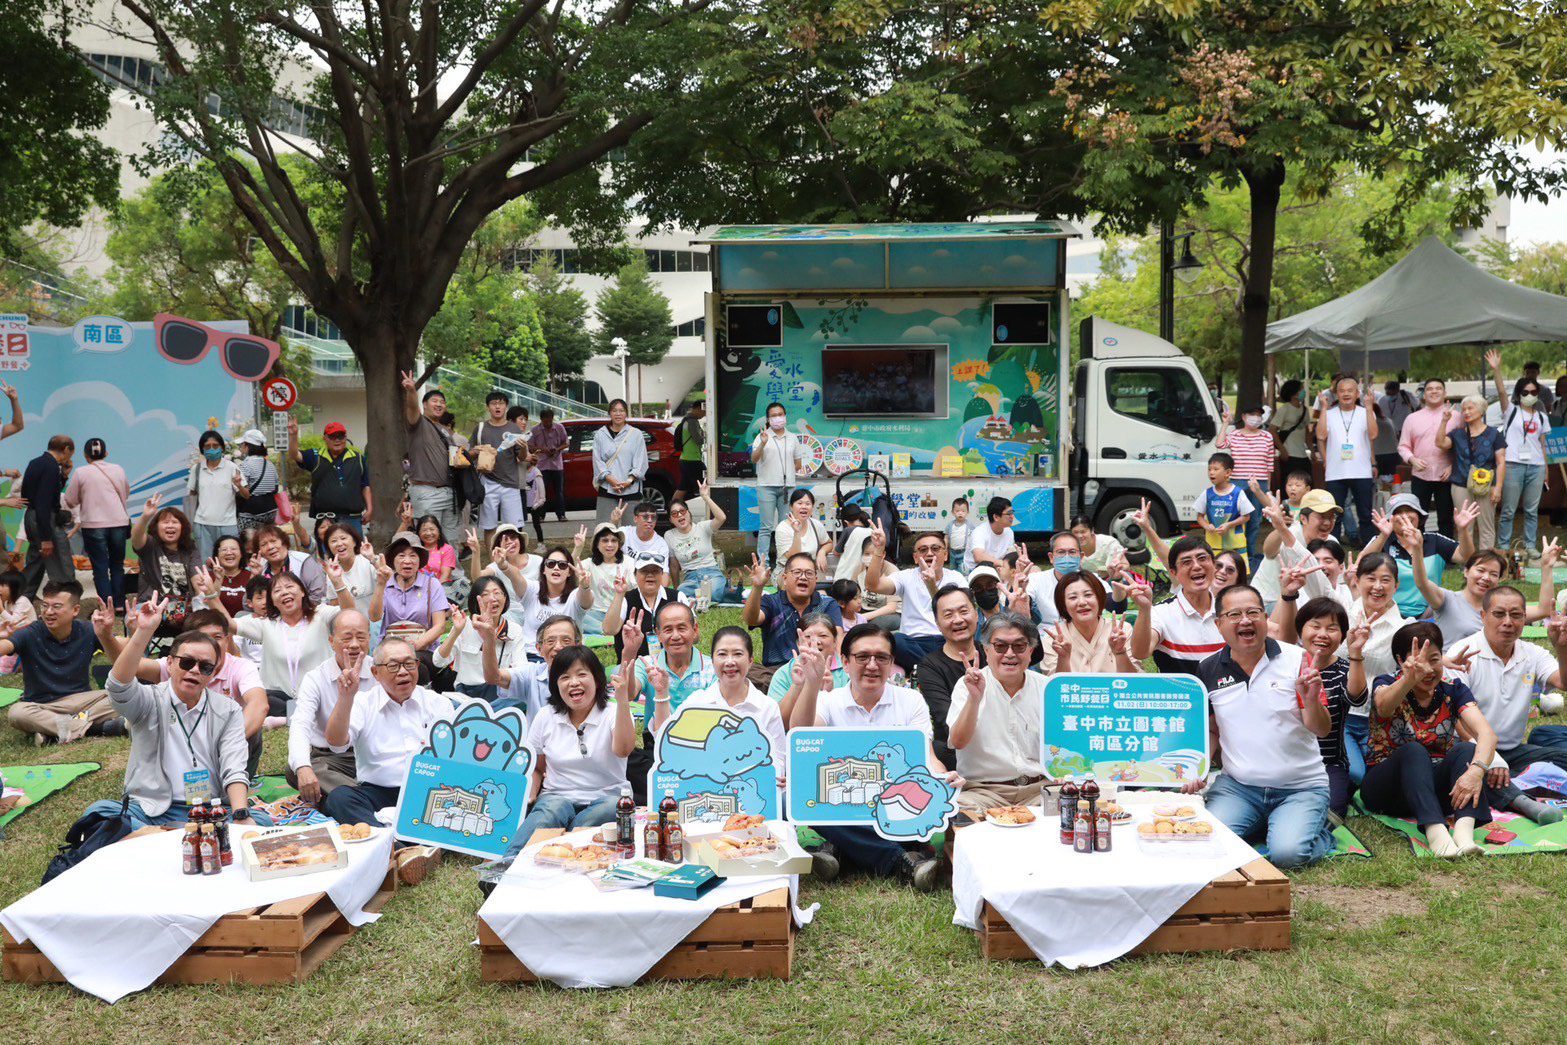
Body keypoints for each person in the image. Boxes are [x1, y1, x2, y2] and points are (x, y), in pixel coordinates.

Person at [787, 624, 959, 888]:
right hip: (843, 805)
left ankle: (840, 850)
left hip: (895, 806)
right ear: (844, 662)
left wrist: (942, 778)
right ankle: (901, 860)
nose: (872, 665)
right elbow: (801, 734)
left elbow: (925, 754)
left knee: (927, 801)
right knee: (792, 798)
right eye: (862, 657)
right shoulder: (827, 700)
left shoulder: (911, 700)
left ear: (892, 663)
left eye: (881, 658)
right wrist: (811, 683)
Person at [81, 594, 264, 831]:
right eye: (187, 663)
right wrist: (143, 631)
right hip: (153, 810)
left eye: (205, 667)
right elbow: (118, 685)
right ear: (170, 663)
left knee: (262, 822)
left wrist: (240, 814)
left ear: (212, 673)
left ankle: (162, 837)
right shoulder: (149, 699)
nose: (195, 670)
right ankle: (162, 833)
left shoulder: (227, 709)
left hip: (209, 808)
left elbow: (234, 766)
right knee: (99, 813)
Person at [1191, 584, 1334, 868]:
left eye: (1253, 612)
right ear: (1219, 624)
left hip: (1300, 787)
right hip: (1239, 787)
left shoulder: (1296, 659)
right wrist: (1198, 769)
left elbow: (1322, 729)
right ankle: (1270, 825)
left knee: (1287, 855)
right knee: (1206, 842)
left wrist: (1311, 701)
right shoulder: (1208, 669)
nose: (1245, 620)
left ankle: (1318, 832)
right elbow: (1211, 730)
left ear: (1265, 618)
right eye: (1234, 615)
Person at [1364, 621, 1497, 857]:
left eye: (1434, 659)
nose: (1428, 669)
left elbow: (1486, 734)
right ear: (1399, 660)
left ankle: (1463, 835)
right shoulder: (1385, 682)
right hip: (1387, 790)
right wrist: (1409, 678)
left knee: (1466, 749)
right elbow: (1384, 707)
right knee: (1414, 751)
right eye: (1419, 661)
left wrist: (1477, 771)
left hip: (1433, 791)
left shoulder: (1452, 689)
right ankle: (1436, 833)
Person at [502, 631, 638, 860]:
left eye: (581, 674)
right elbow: (538, 766)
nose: (573, 682)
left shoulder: (614, 712)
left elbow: (624, 750)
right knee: (551, 809)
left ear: (596, 680)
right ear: (556, 685)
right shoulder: (546, 716)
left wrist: (623, 699)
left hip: (606, 797)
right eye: (564, 677)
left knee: (609, 808)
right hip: (558, 796)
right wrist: (531, 795)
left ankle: (563, 847)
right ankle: (507, 864)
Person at [100, 608, 269, 780]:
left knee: (253, 731)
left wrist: (222, 742)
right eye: (204, 638)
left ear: (228, 639)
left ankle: (236, 781)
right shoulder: (179, 665)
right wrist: (106, 637)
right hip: (176, 747)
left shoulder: (240, 667)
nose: (212, 644)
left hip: (224, 747)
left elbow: (259, 705)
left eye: (217, 637)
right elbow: (128, 668)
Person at [1445, 587, 1567, 825]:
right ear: (1483, 616)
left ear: (1525, 618)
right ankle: (1523, 802)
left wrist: (1561, 645)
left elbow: (1563, 682)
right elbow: (1455, 717)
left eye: (1516, 615)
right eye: (1499, 614)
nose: (1508, 622)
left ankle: (1512, 779)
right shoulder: (1463, 652)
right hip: (1469, 749)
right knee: (1476, 772)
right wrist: (1491, 759)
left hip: (1513, 749)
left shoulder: (1532, 653)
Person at [321, 638, 456, 844]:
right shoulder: (362, 703)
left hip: (429, 793)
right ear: (376, 673)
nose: (403, 672)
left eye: (409, 664)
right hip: (379, 793)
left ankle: (393, 841)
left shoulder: (439, 704)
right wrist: (345, 697)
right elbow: (337, 744)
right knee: (340, 799)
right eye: (393, 666)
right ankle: (398, 846)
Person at [199, 566, 350, 718]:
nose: (284, 592)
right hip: (277, 699)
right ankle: (291, 716)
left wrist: (338, 583)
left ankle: (292, 717)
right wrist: (211, 594)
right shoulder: (266, 624)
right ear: (273, 601)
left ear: (303, 592)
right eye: (277, 591)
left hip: (320, 694)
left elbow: (349, 612)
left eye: (290, 587)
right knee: (264, 700)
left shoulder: (321, 615)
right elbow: (230, 624)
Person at [945, 610, 1044, 815]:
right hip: (983, 791)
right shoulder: (967, 685)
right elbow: (957, 741)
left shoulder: (1046, 688)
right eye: (1000, 646)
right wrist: (975, 698)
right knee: (960, 812)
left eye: (1019, 646)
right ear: (986, 650)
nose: (1009, 654)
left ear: (1031, 650)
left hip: (1039, 789)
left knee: (1076, 804)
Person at [663, 626, 786, 790]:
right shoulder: (697, 703)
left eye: (738, 654)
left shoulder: (767, 706)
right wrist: (660, 693)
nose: (730, 661)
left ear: (750, 661)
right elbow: (664, 736)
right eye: (722, 654)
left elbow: (778, 759)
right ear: (712, 661)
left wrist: (774, 779)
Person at [1278, 595, 1367, 819]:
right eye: (1315, 626)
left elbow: (1357, 699)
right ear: (1300, 630)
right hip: (1285, 761)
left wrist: (1356, 654)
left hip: (1328, 764)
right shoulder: (1285, 665)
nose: (1322, 634)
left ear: (1342, 636)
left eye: (1332, 628)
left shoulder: (1345, 669)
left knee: (1331, 815)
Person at [1, 582, 122, 744]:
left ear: (75, 610)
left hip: (82, 701)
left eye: (56, 606)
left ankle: (53, 732)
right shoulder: (30, 632)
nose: (48, 612)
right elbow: (5, 647)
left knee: (122, 697)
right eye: (45, 606)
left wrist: (109, 634)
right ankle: (94, 728)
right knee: (17, 713)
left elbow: (121, 657)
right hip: (42, 706)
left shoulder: (88, 630)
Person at [631, 601, 718, 801]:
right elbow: (628, 693)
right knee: (627, 761)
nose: (675, 636)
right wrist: (629, 652)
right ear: (657, 634)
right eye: (668, 630)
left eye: (682, 628)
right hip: (658, 745)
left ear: (695, 630)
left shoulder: (712, 667)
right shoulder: (646, 664)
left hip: (703, 746)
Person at [288, 609, 373, 805]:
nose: (354, 644)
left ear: (369, 638)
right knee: (298, 770)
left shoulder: (381, 671)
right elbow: (300, 724)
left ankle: (349, 797)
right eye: (346, 638)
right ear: (331, 640)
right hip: (332, 759)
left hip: (372, 752)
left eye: (361, 637)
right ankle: (365, 795)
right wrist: (303, 768)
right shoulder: (315, 678)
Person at [862, 526, 966, 671]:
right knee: (895, 640)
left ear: (946, 555)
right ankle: (938, 670)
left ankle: (928, 669)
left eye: (935, 548)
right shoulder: (905, 576)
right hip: (913, 642)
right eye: (923, 550)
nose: (929, 553)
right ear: (916, 558)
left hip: (947, 639)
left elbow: (952, 610)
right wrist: (879, 549)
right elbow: (872, 585)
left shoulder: (957, 578)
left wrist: (932, 586)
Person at [1362, 492, 1476, 620]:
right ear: (1390, 519)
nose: (1404, 516)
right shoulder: (1381, 541)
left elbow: (1466, 557)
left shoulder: (1434, 540)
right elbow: (1360, 566)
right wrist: (1383, 535)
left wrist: (1463, 529)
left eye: (1409, 510)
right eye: (1398, 512)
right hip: (1388, 612)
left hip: (1430, 613)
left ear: (1419, 516)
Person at [742, 551, 842, 688]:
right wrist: (757, 587)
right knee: (745, 672)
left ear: (816, 578)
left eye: (809, 573)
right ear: (784, 578)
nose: (803, 577)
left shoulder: (827, 604)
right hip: (776, 672)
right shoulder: (772, 601)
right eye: (797, 572)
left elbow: (838, 640)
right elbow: (751, 619)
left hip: (819, 668)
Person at [913, 586, 984, 770]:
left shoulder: (993, 651)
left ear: (976, 614)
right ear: (937, 623)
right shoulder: (929, 666)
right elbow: (945, 720)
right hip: (958, 747)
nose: (958, 620)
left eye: (963, 611)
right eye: (948, 615)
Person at [1131, 536, 1223, 673]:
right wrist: (1145, 610)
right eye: (1186, 562)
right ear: (1174, 573)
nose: (1197, 566)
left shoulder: (1231, 610)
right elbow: (1140, 653)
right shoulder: (1160, 613)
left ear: (1214, 565)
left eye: (1202, 558)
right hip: (1181, 693)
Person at [1490, 348, 1552, 552]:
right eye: (1525, 392)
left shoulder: (1542, 416)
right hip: (1513, 464)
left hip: (1536, 466)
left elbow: (1543, 444)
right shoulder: (1511, 411)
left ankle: (1530, 545)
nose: (1530, 395)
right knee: (1508, 510)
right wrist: (1496, 369)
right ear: (1519, 393)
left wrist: (1546, 470)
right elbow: (1500, 392)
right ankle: (1504, 546)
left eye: (1534, 392)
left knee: (1532, 510)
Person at [63, 437, 132, 614]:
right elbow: (126, 492)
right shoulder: (118, 469)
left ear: (86, 456)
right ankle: (119, 604)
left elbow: (70, 500)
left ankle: (106, 607)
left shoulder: (81, 472)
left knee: (100, 567)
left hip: (93, 525)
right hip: (118, 522)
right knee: (117, 565)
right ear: (106, 453)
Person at [369, 531, 450, 669]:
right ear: (393, 560)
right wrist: (381, 584)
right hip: (389, 649)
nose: (407, 561)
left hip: (423, 651)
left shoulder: (432, 584)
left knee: (411, 663)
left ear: (419, 561)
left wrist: (411, 648)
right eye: (401, 556)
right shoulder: (385, 583)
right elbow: (374, 617)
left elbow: (440, 626)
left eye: (413, 556)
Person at [1439, 392, 1506, 552]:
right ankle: (1467, 561)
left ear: (1482, 410)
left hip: (1486, 485)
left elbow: (1501, 462)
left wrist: (1498, 488)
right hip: (1461, 484)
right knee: (1464, 525)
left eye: (1470, 408)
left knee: (1487, 526)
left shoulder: (1494, 434)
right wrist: (1444, 421)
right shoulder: (1458, 433)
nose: (1466, 412)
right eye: (1464, 409)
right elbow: (1440, 443)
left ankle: (1486, 561)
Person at [1316, 375, 1379, 544]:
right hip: (1336, 472)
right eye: (1341, 391)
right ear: (1336, 394)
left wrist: (1369, 407)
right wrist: (1323, 408)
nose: (1346, 394)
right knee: (1333, 513)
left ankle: (1369, 548)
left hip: (1361, 470)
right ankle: (1332, 547)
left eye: (1350, 390)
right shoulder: (1329, 414)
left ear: (1357, 393)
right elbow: (1321, 435)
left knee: (1365, 513)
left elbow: (1373, 435)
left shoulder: (1365, 412)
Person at [480, 612, 581, 717]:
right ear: (539, 649)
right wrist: (488, 639)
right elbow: (494, 677)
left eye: (566, 640)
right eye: (551, 641)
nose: (558, 647)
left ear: (578, 645)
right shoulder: (532, 674)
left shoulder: (591, 677)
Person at [131, 496, 204, 639]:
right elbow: (136, 537)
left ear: (182, 528)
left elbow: (198, 582)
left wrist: (203, 597)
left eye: (175, 522)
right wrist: (146, 516)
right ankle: (139, 660)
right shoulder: (149, 546)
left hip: (182, 608)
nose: (170, 526)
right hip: (150, 606)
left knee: (206, 620)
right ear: (156, 527)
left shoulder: (190, 549)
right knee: (135, 620)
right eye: (165, 522)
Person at [434, 577, 518, 702]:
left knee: (519, 700)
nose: (492, 598)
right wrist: (456, 631)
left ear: (505, 598)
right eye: (485, 594)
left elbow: (521, 670)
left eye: (497, 593)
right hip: (466, 696)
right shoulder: (464, 624)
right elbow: (438, 661)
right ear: (475, 600)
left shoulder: (514, 630)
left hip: (499, 695)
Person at [401, 370, 461, 543]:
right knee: (428, 540)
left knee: (450, 541)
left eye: (442, 402)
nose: (439, 404)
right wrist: (411, 390)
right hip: (426, 492)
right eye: (434, 401)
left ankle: (453, 571)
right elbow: (412, 408)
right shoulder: (418, 423)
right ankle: (428, 571)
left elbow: (454, 459)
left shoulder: (446, 430)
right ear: (425, 405)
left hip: (449, 492)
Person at [1039, 573, 1138, 675]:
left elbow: (1136, 684)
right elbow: (1056, 687)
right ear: (1063, 604)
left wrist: (1120, 652)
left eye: (1088, 595)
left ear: (1099, 598)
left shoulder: (1122, 631)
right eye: (1073, 597)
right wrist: (1063, 658)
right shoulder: (1053, 639)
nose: (1082, 602)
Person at [289, 417, 372, 536]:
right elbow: (294, 455)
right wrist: (293, 435)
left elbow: (365, 485)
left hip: (352, 519)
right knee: (327, 553)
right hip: (326, 520)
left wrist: (370, 509)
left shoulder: (358, 458)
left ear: (345, 437)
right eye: (332, 437)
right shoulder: (315, 456)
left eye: (341, 436)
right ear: (325, 438)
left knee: (356, 551)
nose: (337, 440)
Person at [1217, 405, 1278, 566]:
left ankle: (1249, 557)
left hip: (1260, 484)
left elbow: (1269, 466)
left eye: (1259, 415)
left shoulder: (1267, 437)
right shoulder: (1235, 434)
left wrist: (1268, 489)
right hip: (1237, 482)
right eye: (1252, 414)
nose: (1256, 418)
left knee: (1255, 520)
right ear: (1243, 417)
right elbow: (1219, 444)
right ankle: (1233, 556)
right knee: (1235, 519)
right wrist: (1225, 423)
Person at [1397, 379, 1456, 534]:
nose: (1434, 391)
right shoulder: (1412, 418)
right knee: (1418, 516)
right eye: (1429, 389)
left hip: (1446, 476)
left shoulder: (1456, 417)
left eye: (1438, 388)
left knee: (1446, 518)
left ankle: (1446, 554)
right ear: (1424, 394)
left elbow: (1464, 447)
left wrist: (1453, 465)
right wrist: (1412, 459)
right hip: (1420, 475)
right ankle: (1419, 551)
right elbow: (1403, 446)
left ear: (1445, 393)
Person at [20, 435, 77, 593]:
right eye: (70, 453)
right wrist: (46, 538)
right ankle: (65, 601)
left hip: (31, 516)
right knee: (62, 566)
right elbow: (44, 502)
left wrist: (63, 475)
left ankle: (20, 604)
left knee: (35, 565)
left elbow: (39, 494)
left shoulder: (35, 463)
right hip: (44, 519)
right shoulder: (51, 466)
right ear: (66, 449)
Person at [750, 402, 804, 568]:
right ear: (768, 419)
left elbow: (798, 464)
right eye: (773, 415)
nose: (777, 418)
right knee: (766, 527)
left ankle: (784, 562)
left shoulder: (793, 438)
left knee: (785, 526)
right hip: (766, 486)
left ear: (785, 416)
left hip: (787, 488)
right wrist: (763, 443)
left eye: (780, 414)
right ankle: (763, 564)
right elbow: (754, 459)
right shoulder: (762, 436)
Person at [470, 391, 528, 541]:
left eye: (501, 403)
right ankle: (493, 562)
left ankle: (510, 561)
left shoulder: (514, 429)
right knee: (489, 527)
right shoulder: (481, 428)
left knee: (513, 528)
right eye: (494, 403)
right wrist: (476, 451)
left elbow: (521, 457)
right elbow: (469, 454)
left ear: (506, 407)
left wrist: (523, 447)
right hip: (487, 482)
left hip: (510, 484)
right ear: (488, 407)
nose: (497, 406)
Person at [514, 544, 592, 654]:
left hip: (566, 657)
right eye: (551, 564)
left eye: (562, 565)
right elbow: (515, 577)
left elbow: (586, 601)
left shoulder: (575, 595)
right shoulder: (533, 589)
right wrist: (504, 566)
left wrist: (584, 586)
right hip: (530, 655)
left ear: (569, 572)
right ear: (544, 570)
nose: (556, 568)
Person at [603, 560, 687, 663]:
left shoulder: (677, 597)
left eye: (655, 571)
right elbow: (608, 630)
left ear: (662, 574)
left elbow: (695, 637)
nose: (650, 575)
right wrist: (619, 594)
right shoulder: (625, 599)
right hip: (633, 666)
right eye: (644, 571)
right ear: (635, 574)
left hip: (672, 664)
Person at [770, 611, 850, 717]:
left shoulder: (848, 671)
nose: (815, 641)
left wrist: (828, 694)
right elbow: (778, 722)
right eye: (807, 636)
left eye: (823, 635)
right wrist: (797, 685)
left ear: (835, 642)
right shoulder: (784, 673)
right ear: (798, 643)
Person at [186, 430, 246, 560]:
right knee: (205, 563)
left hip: (227, 524)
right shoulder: (196, 469)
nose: (211, 449)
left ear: (222, 448)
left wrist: (239, 485)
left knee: (230, 562)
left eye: (215, 445)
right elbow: (191, 495)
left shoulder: (232, 467)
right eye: (207, 446)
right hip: (202, 525)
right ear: (202, 449)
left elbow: (247, 495)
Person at [668, 482, 729, 603]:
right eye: (674, 514)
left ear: (689, 513)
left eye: (683, 511)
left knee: (715, 592)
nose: (680, 515)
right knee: (680, 594)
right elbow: (674, 565)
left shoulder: (702, 527)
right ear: (671, 520)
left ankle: (698, 597)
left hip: (711, 572)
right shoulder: (669, 535)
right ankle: (701, 597)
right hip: (690, 578)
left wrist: (705, 496)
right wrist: (676, 589)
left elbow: (721, 518)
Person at [592, 399, 648, 523]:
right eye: (614, 411)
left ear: (626, 413)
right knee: (606, 528)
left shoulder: (636, 434)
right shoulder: (600, 434)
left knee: (632, 530)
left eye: (621, 410)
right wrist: (609, 479)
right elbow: (597, 460)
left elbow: (641, 461)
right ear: (609, 413)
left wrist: (629, 480)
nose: (618, 414)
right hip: (607, 488)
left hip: (631, 488)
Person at [251, 522, 331, 604]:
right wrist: (254, 577)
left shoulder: (303, 560)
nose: (270, 547)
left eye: (273, 541)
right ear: (259, 551)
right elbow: (248, 604)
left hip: (306, 611)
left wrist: (288, 611)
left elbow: (318, 596)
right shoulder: (261, 568)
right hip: (271, 615)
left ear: (284, 542)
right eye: (263, 544)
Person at [1194, 452, 1252, 556]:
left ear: (1228, 472)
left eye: (1215, 469)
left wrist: (1229, 525)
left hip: (1235, 547)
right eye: (1209, 469)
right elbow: (1199, 517)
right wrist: (1207, 526)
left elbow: (1246, 516)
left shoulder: (1238, 493)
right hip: (1213, 545)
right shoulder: (1207, 493)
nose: (1211, 472)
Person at [580, 523, 631, 636]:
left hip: (621, 613)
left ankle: (608, 630)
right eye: (605, 540)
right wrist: (578, 548)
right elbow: (569, 570)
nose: (610, 544)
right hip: (595, 614)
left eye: (614, 540)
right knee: (576, 616)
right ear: (597, 544)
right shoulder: (589, 564)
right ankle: (609, 631)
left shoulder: (628, 562)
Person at [772, 488, 829, 575]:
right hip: (787, 571)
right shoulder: (782, 528)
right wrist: (797, 532)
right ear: (791, 506)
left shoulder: (816, 524)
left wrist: (822, 552)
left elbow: (828, 543)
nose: (804, 507)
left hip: (810, 571)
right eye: (800, 503)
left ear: (812, 507)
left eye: (808, 504)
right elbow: (793, 557)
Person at [234, 429, 281, 534]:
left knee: (248, 543)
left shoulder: (245, 465)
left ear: (247, 446)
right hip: (271, 510)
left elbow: (240, 489)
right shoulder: (270, 464)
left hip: (252, 512)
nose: (241, 447)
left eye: (241, 445)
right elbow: (276, 488)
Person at [527, 408, 569, 523]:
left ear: (552, 418)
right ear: (541, 420)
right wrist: (543, 449)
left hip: (557, 465)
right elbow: (530, 446)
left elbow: (566, 443)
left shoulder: (559, 428)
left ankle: (561, 515)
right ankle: (541, 515)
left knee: (559, 491)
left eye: (549, 421)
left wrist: (557, 449)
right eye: (545, 422)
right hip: (541, 465)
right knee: (541, 491)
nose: (548, 424)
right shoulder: (535, 430)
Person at [1269, 380, 1312, 483]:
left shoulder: (1305, 410)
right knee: (1289, 484)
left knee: (1306, 484)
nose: (1303, 392)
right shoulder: (1285, 409)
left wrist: (1312, 451)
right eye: (1301, 389)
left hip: (1303, 455)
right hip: (1289, 455)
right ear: (1294, 393)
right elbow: (1272, 430)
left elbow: (1307, 432)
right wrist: (1282, 450)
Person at [320, 525, 375, 605]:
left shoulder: (368, 561)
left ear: (354, 541)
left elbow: (388, 579)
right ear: (328, 547)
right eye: (334, 541)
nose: (339, 544)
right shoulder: (332, 572)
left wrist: (373, 559)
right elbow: (334, 604)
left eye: (343, 538)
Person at [618, 499, 672, 577]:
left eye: (653, 517)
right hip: (624, 579)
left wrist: (662, 589)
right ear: (635, 519)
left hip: (647, 582)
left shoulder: (661, 544)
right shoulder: (624, 532)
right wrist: (614, 522)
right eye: (645, 517)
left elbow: (664, 573)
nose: (650, 520)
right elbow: (604, 542)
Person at [964, 497, 1017, 575]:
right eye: (1009, 513)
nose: (1012, 516)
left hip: (997, 568)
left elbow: (1010, 555)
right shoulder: (979, 532)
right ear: (996, 517)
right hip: (975, 570)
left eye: (1012, 512)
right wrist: (1003, 564)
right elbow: (978, 557)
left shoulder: (1009, 532)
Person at [671, 394, 707, 503]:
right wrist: (705, 435)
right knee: (707, 482)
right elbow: (699, 440)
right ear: (696, 409)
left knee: (683, 487)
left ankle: (672, 508)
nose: (704, 414)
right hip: (692, 460)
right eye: (703, 411)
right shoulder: (692, 422)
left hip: (685, 460)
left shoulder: (685, 420)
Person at [1069, 515, 1125, 580]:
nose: (1079, 536)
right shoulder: (1069, 548)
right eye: (1075, 532)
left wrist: (1116, 569)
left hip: (1112, 579)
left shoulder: (1108, 543)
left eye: (1083, 532)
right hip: (1089, 581)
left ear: (1092, 530)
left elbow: (1126, 566)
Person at [412, 513, 458, 590]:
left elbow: (445, 576)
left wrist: (431, 592)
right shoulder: (414, 549)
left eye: (432, 529)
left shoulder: (447, 549)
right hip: (415, 589)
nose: (428, 533)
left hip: (440, 589)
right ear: (418, 533)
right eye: (424, 530)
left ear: (439, 531)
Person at [523, 456, 545, 544]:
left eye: (525, 460)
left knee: (536, 524)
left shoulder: (536, 473)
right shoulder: (522, 472)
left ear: (531, 461)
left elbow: (542, 493)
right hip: (524, 503)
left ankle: (541, 543)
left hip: (535, 504)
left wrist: (537, 504)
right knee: (519, 525)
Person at [946, 497, 971, 572]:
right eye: (957, 511)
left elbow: (973, 537)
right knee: (952, 569)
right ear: (953, 512)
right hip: (952, 552)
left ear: (967, 512)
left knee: (963, 570)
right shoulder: (950, 525)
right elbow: (946, 537)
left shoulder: (969, 525)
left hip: (964, 552)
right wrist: (945, 547)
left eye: (963, 511)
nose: (960, 513)